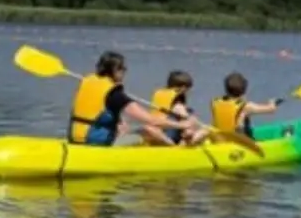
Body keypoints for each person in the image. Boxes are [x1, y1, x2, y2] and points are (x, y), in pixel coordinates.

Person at [67, 51, 202, 147]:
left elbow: (96, 110)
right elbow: (151, 120)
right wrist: (183, 125)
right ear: (115, 70)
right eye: (123, 69)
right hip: (96, 142)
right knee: (146, 130)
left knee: (128, 129)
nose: (125, 72)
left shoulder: (87, 82)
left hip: (75, 138)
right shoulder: (115, 93)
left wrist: (119, 122)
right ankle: (175, 152)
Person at [149, 70, 211, 146]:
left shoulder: (163, 96)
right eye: (188, 89)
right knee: (206, 131)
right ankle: (183, 144)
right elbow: (186, 119)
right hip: (172, 136)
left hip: (162, 133)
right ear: (183, 88)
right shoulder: (178, 106)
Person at [210, 71, 281, 137]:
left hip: (221, 139)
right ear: (244, 92)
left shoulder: (214, 102)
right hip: (241, 143)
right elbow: (271, 109)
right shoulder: (246, 107)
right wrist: (272, 102)